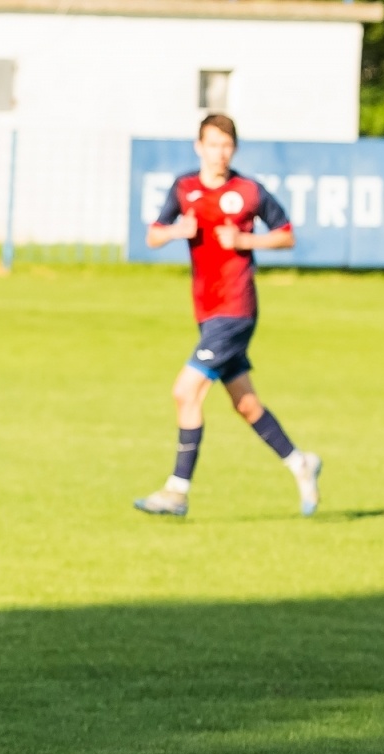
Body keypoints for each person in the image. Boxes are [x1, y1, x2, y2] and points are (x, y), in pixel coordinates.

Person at [136, 114, 319, 518]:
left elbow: (286, 234)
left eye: (226, 146)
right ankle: (300, 462)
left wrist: (245, 239)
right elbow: (152, 234)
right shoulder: (185, 188)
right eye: (212, 144)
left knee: (186, 391)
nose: (220, 153)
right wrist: (173, 232)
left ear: (233, 149)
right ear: (198, 146)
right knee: (246, 403)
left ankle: (177, 491)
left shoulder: (248, 191)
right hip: (206, 311)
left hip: (236, 310)